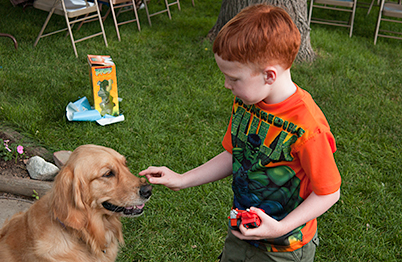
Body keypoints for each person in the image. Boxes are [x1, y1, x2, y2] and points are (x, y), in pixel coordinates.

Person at [140, 3, 341, 261]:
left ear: (269, 75)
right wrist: (182, 179)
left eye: (234, 79)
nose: (226, 85)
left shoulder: (308, 127)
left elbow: (329, 192)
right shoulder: (247, 102)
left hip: (283, 250)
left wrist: (279, 227)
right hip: (241, 232)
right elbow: (235, 155)